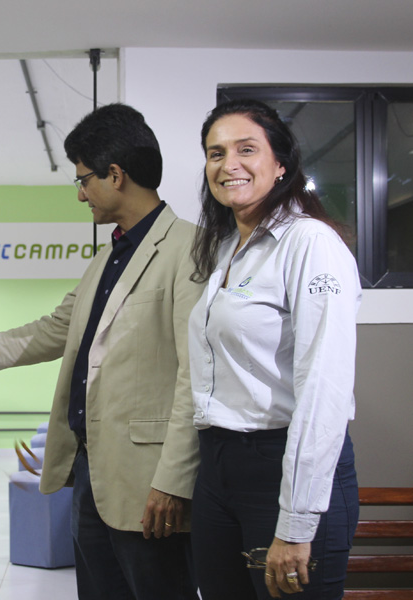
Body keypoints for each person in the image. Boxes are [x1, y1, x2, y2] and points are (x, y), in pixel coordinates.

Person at [0, 103, 202, 600]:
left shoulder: (188, 249)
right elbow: (55, 329)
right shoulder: (106, 258)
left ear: (115, 175)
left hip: (148, 484)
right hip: (90, 474)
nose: (80, 194)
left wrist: (174, 481)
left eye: (83, 180)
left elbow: (196, 379)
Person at [187, 98, 361, 599]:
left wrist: (297, 521)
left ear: (280, 164)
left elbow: (324, 389)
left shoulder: (310, 243)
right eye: (216, 153)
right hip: (219, 465)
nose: (229, 164)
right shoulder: (227, 249)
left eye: (247, 149)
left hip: (283, 466)